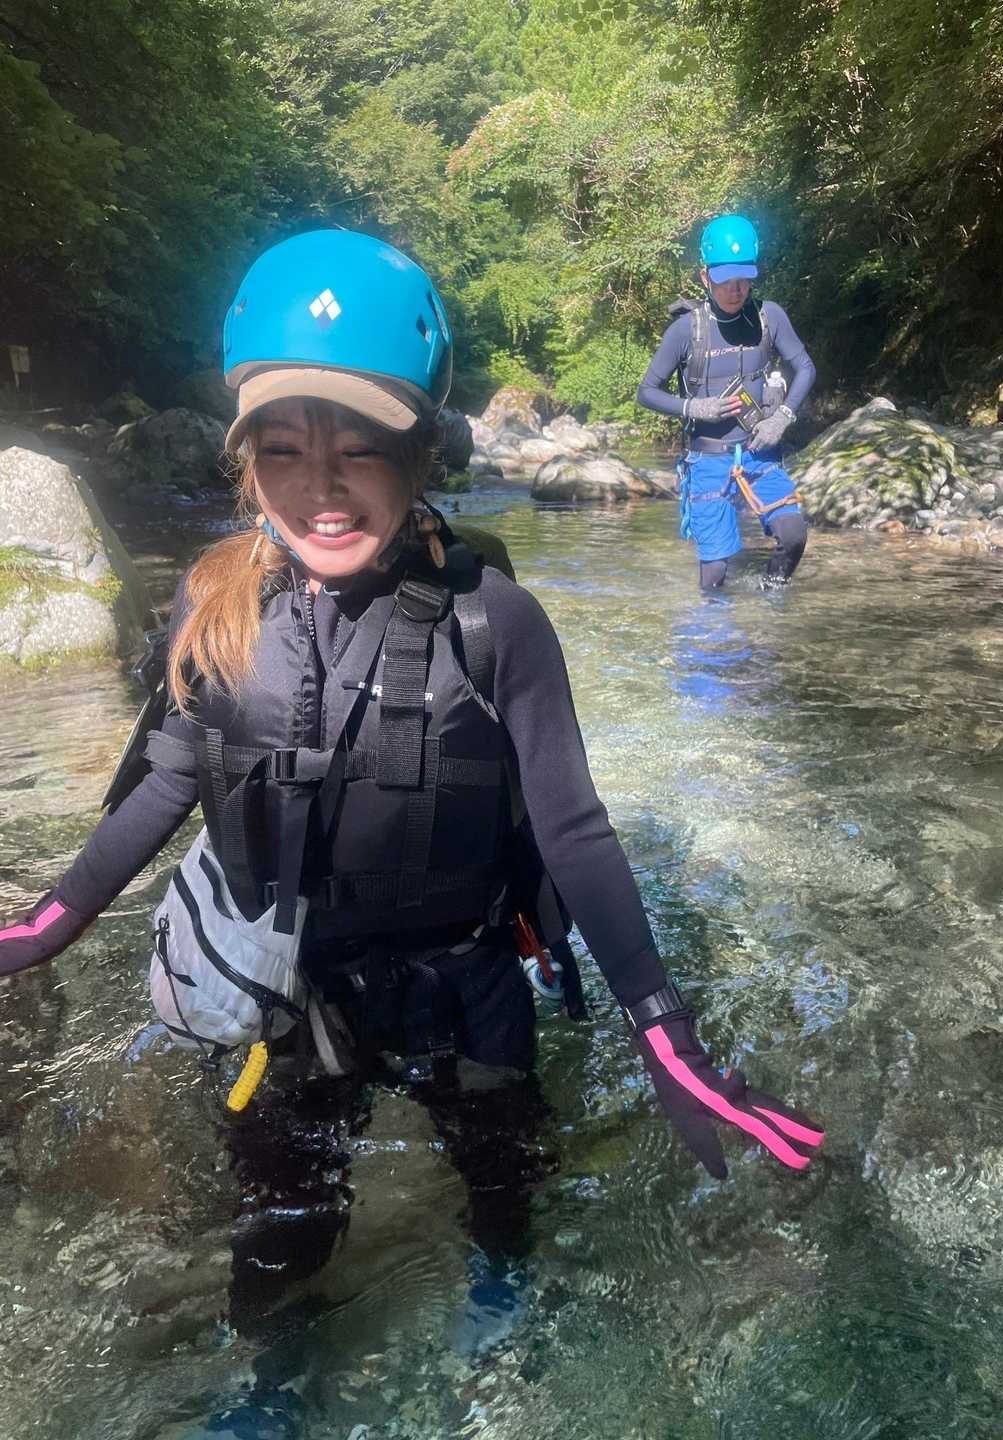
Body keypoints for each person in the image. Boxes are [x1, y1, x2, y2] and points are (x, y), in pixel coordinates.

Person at [0, 230, 823, 1339]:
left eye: (362, 449)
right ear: (246, 464)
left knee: (505, 1202)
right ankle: (272, 1384)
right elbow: (165, 782)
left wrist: (665, 1031)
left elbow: (576, 831)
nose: (321, 489)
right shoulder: (213, 607)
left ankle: (500, 1347)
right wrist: (38, 932)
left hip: (466, 991)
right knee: (276, 1246)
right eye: (282, 450)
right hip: (292, 998)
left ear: (423, 453)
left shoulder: (498, 624)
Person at [638, 214, 817, 591]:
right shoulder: (685, 330)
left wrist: (782, 417)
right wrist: (692, 407)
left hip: (760, 453)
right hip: (707, 460)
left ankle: (771, 601)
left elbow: (805, 368)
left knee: (793, 535)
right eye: (725, 281)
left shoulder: (770, 317)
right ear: (705, 277)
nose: (736, 291)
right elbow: (647, 391)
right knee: (716, 573)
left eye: (743, 280)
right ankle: (716, 625)